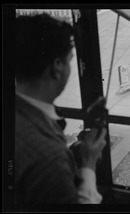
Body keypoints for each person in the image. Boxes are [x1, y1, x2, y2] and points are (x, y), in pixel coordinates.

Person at [15, 13, 107, 204]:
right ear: (57, 67)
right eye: (70, 59)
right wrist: (88, 163)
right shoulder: (49, 158)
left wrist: (70, 155)